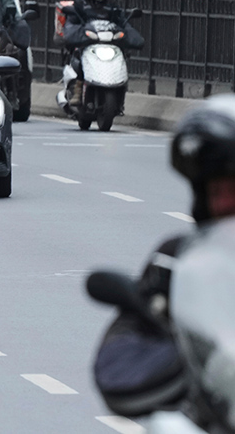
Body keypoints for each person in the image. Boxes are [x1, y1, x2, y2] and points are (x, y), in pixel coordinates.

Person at [92, 95, 235, 417]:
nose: (225, 204)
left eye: (234, 190)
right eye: (216, 192)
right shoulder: (178, 262)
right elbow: (121, 354)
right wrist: (196, 362)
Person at [61, 0, 143, 107]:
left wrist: (134, 39)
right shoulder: (79, 6)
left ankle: (119, 89)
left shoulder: (112, 7)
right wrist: (79, 34)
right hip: (87, 44)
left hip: (108, 43)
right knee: (77, 54)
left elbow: (123, 24)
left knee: (123, 55)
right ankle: (78, 88)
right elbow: (70, 27)